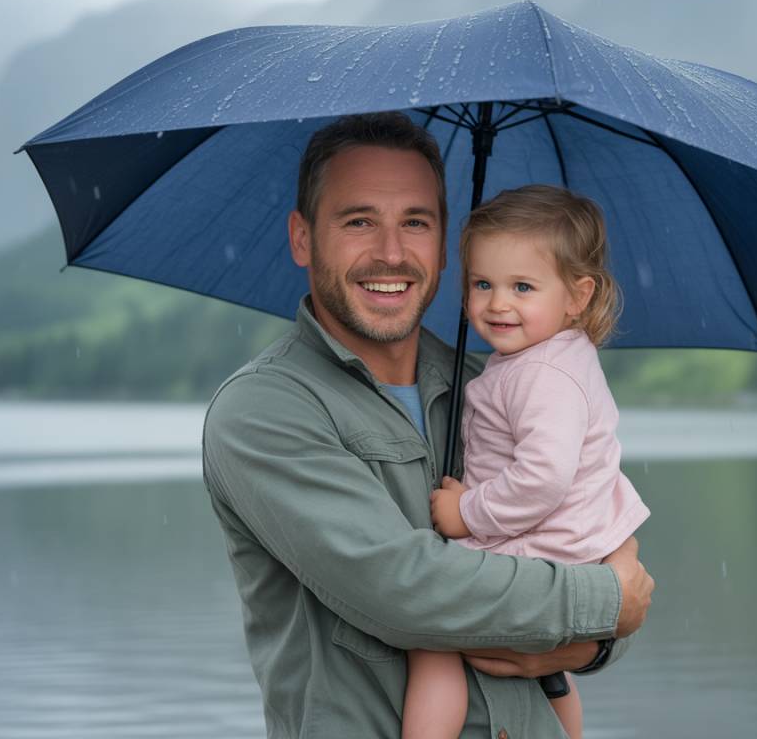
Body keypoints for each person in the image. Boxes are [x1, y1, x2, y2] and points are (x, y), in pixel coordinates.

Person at [201, 112, 655, 738]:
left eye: (415, 222)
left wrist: (590, 642)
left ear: (444, 246)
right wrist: (602, 603)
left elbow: (603, 556)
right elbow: (403, 591)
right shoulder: (263, 411)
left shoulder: (498, 384)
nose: (391, 252)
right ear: (303, 238)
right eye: (359, 221)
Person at [404, 185, 651, 739]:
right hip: (569, 550)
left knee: (432, 638)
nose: (497, 304)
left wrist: (467, 512)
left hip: (540, 548)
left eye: (522, 286)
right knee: (553, 674)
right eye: (482, 284)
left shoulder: (544, 376)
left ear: (578, 296)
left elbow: (542, 479)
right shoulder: (551, 359)